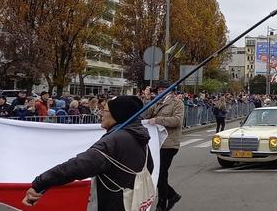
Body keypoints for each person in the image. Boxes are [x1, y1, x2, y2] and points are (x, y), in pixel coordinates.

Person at [23, 95, 153, 210]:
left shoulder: (114, 140)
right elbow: (150, 166)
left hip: (115, 203)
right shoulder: (138, 134)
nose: (101, 114)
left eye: (105, 110)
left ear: (117, 114)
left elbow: (76, 167)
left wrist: (39, 183)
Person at [143, 80, 184, 211]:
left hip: (169, 143)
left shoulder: (177, 103)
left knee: (161, 173)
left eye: (162, 89)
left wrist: (158, 120)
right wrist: (148, 100)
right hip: (157, 143)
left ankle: (162, 203)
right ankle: (172, 195)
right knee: (156, 172)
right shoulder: (157, 102)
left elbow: (177, 121)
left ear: (169, 90)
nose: (160, 91)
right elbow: (145, 114)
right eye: (158, 89)